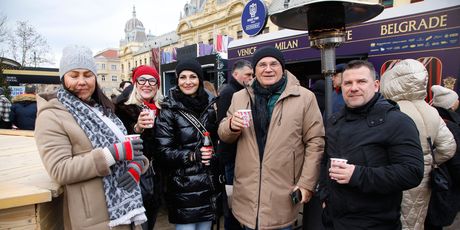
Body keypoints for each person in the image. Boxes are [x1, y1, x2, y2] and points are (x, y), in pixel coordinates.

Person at [34, 45, 149, 229]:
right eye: (74, 75)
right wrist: (110, 155)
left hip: (127, 210)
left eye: (87, 75)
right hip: (95, 218)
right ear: (63, 78)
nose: (82, 81)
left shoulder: (102, 109)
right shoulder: (51, 116)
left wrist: (137, 164)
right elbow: (59, 169)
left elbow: (126, 150)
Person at [218, 46, 325, 230]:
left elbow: (315, 142)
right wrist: (230, 126)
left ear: (282, 68)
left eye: (274, 64)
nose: (268, 69)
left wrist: (306, 183)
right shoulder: (239, 97)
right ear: (255, 70)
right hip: (247, 191)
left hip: (282, 192)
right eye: (262, 65)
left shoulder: (304, 97)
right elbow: (223, 134)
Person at [319, 60, 425, 229]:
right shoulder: (334, 121)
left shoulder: (397, 122)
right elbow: (325, 161)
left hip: (376, 223)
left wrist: (357, 174)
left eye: (361, 81)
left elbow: (412, 172)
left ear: (376, 85)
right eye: (348, 83)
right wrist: (324, 196)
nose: (353, 88)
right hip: (334, 221)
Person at [380, 59, 456, 229]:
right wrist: (428, 160)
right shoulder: (432, 111)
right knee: (415, 220)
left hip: (392, 175)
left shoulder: (390, 110)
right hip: (423, 176)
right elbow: (448, 148)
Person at [155, 58, 221, 230]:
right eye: (182, 77)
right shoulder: (168, 109)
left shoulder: (211, 104)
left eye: (193, 77)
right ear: (177, 80)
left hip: (208, 183)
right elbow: (163, 152)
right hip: (183, 186)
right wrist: (193, 155)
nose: (188, 82)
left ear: (200, 79)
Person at [115, 65, 163, 230]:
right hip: (135, 176)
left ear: (157, 86)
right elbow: (118, 140)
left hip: (156, 178)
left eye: (152, 80)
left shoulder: (162, 109)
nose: (147, 84)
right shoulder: (121, 109)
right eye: (142, 80)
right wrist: (137, 128)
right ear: (135, 84)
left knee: (150, 222)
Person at [216, 59, 253, 230]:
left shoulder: (245, 91)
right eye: (248, 75)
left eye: (252, 75)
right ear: (235, 74)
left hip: (240, 155)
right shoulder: (229, 92)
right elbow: (222, 126)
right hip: (231, 156)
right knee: (233, 200)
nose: (251, 78)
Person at [426, 85, 460, 229]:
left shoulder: (427, 119)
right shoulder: (451, 126)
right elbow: (456, 162)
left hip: (428, 180)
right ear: (451, 104)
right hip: (443, 182)